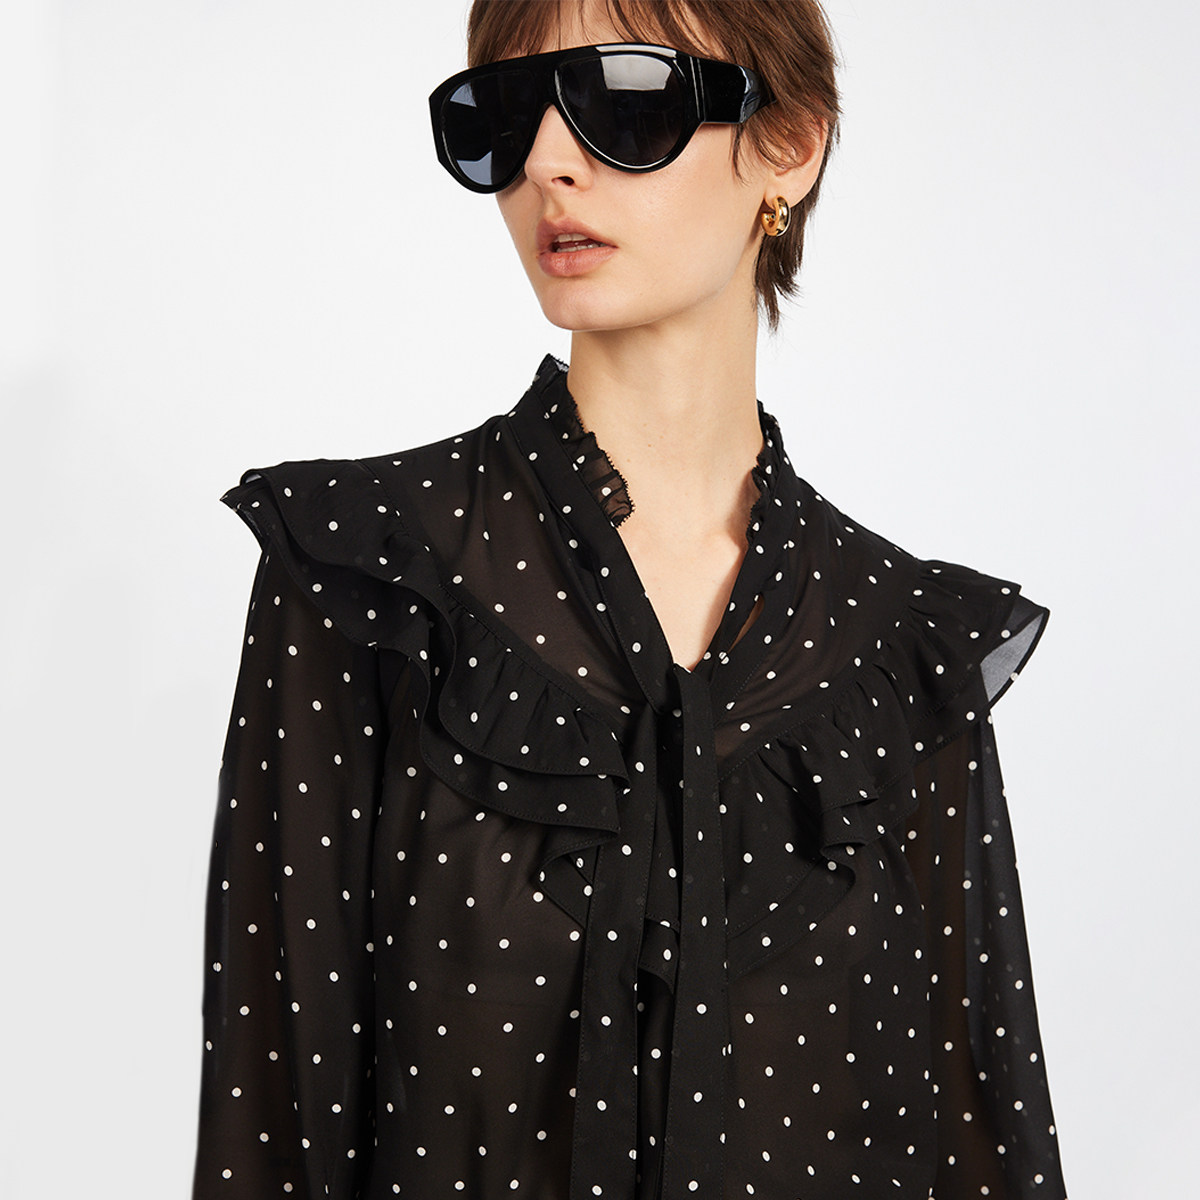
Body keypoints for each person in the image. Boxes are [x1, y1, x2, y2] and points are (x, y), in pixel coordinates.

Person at [191, 1, 1068, 1197]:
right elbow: (273, 1128)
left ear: (790, 144)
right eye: (505, 115)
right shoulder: (370, 579)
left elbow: (986, 1137)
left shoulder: (905, 649)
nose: (550, 161)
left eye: (625, 98)